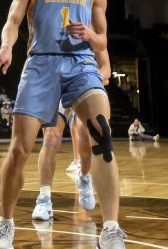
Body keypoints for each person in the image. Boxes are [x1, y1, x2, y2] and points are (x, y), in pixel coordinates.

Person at [0, 0, 126, 249]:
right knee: (20, 149)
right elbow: (13, 21)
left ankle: (111, 229)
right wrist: (6, 47)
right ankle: (5, 223)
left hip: (80, 64)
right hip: (41, 64)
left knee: (102, 137)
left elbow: (103, 38)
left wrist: (91, 37)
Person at [33, 50, 112, 222]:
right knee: (50, 138)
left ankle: (84, 178)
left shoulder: (91, 28)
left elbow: (107, 68)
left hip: (84, 82)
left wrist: (93, 79)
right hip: (56, 83)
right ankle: (44, 198)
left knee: (85, 139)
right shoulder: (53, 27)